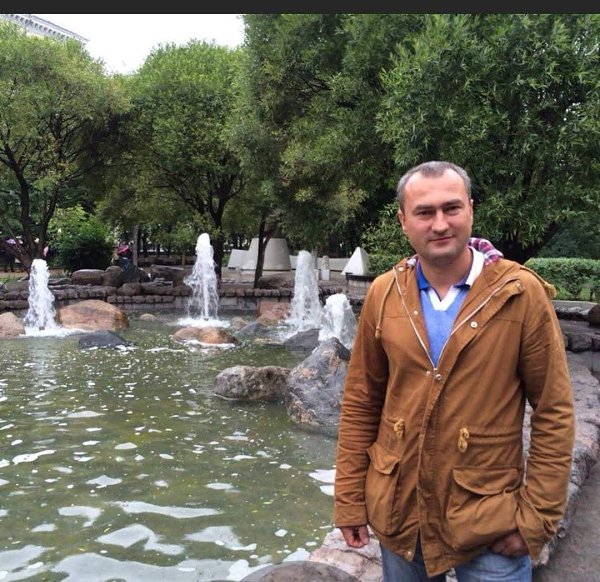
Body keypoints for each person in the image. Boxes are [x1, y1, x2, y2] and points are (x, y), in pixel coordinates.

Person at [334, 161, 575, 581]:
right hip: (401, 511)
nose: (440, 224)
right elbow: (361, 402)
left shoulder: (520, 294)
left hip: (488, 517)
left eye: (452, 208)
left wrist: (536, 516)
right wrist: (350, 499)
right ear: (403, 221)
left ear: (471, 210)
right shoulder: (385, 294)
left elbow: (554, 410)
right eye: (425, 212)